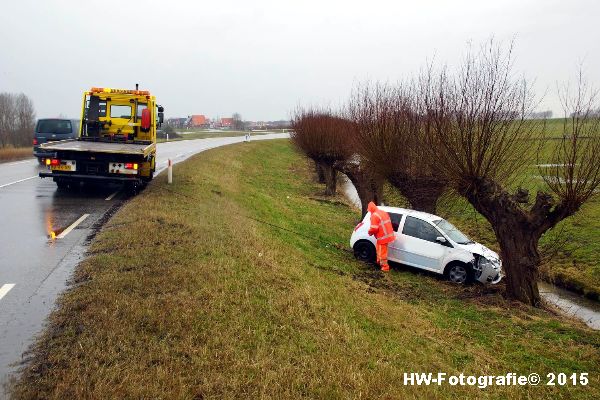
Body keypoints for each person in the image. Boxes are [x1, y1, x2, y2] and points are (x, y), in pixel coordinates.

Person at [367, 201, 395, 272]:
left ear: (370, 210)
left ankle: (385, 267)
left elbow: (374, 228)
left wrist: (369, 232)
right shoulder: (382, 212)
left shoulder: (374, 216)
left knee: (382, 253)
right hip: (388, 235)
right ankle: (379, 262)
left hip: (382, 237)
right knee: (379, 249)